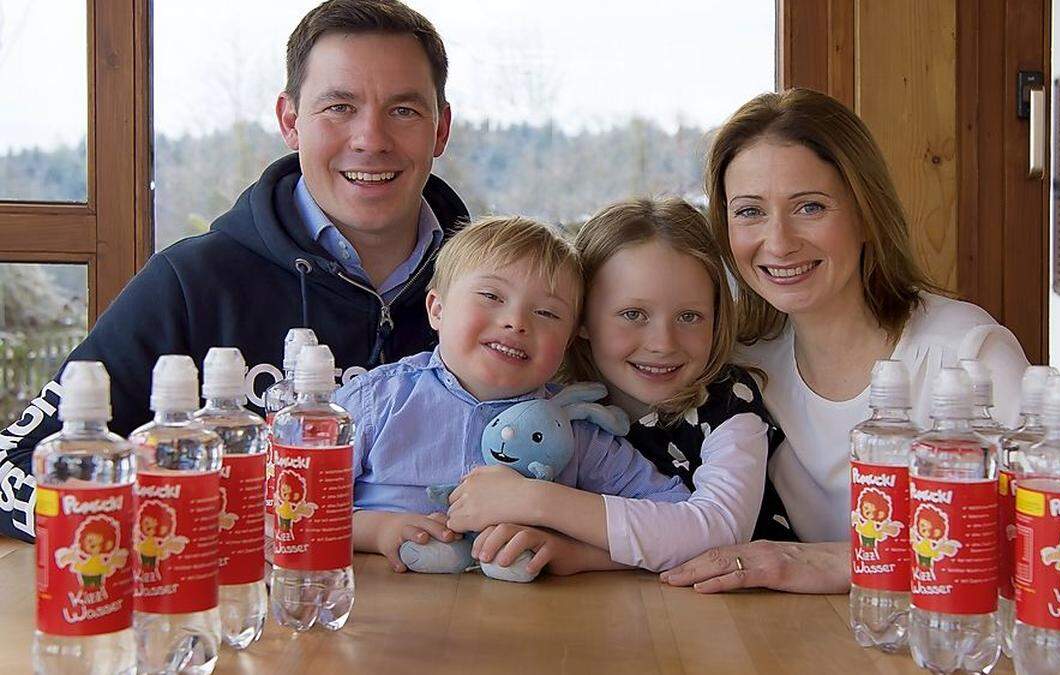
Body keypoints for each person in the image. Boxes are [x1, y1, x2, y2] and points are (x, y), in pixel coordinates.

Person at [0, 0, 467, 541]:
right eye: (339, 107)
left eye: (404, 110)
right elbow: (13, 467)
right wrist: (178, 524)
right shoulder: (189, 284)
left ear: (441, 129)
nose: (371, 138)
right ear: (290, 122)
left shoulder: (503, 298)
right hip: (239, 614)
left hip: (458, 616)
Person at [660, 88, 1029, 593]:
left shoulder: (969, 354)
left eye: (810, 207)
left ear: (864, 213)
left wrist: (827, 564)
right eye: (749, 211)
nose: (779, 241)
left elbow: (1037, 549)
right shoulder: (741, 366)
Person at [445, 198, 797, 572]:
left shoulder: (728, 405)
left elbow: (721, 532)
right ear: (581, 320)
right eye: (633, 314)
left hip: (751, 612)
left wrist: (538, 502)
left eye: (690, 316)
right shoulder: (552, 407)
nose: (663, 343)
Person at [338, 216, 696, 575]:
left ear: (569, 341)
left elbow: (674, 516)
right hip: (386, 613)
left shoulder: (575, 429)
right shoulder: (377, 401)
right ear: (437, 309)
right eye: (492, 296)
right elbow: (291, 506)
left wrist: (572, 552)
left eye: (546, 312)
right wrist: (377, 531)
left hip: (533, 620)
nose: (516, 322)